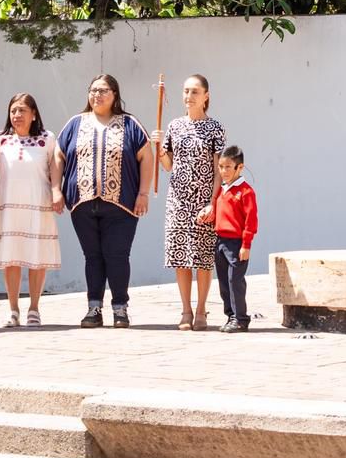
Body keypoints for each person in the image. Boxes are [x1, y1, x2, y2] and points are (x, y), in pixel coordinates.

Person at [56, 74, 154, 329]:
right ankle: (94, 308)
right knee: (92, 256)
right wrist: (56, 189)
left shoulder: (130, 124)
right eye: (93, 90)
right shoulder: (75, 123)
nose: (97, 95)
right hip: (82, 203)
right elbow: (58, 155)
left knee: (117, 255)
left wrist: (143, 193)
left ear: (115, 94)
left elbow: (147, 156)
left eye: (103, 90)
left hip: (122, 204)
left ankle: (120, 308)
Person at [151, 74, 225, 332]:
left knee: (203, 258)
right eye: (185, 91)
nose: (189, 96)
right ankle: (186, 309)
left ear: (206, 96)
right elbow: (168, 165)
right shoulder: (174, 126)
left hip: (203, 199)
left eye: (194, 91)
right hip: (178, 200)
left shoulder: (215, 128)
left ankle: (202, 309)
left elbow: (219, 169)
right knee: (180, 256)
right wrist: (159, 148)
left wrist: (213, 202)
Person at [0, 93, 62, 327]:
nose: (17, 115)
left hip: (38, 204)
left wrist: (56, 191)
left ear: (33, 114)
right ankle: (13, 310)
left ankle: (34, 308)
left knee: (36, 256)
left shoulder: (46, 138)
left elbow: (55, 166)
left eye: (22, 110)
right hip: (8, 205)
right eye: (13, 110)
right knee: (11, 257)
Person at [198, 145, 256, 333]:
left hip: (236, 244)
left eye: (228, 167)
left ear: (240, 167)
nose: (223, 171)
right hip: (220, 242)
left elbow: (251, 221)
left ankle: (241, 319)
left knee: (235, 281)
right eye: (221, 167)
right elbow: (221, 215)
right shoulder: (222, 190)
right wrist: (207, 216)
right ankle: (231, 316)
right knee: (224, 282)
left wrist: (246, 245)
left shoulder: (246, 192)